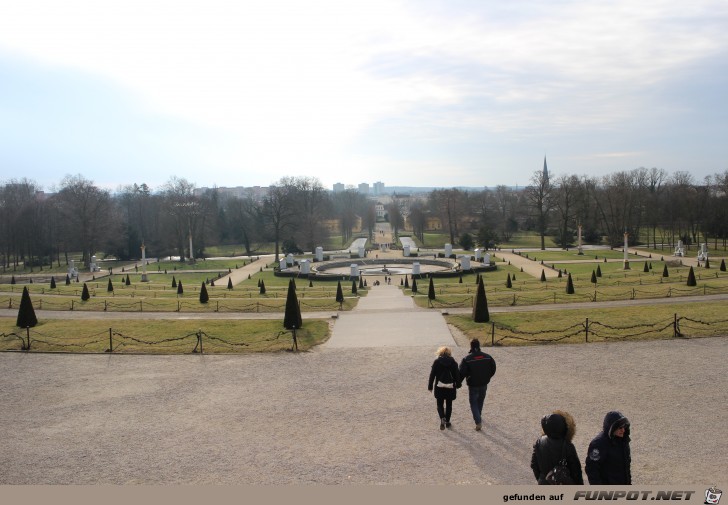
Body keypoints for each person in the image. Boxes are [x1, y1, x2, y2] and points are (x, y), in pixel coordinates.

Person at [530, 410, 584, 484]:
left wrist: (541, 479)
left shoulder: (539, 442)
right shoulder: (568, 446)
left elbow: (534, 465)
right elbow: (576, 471)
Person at [458, 338, 496, 431]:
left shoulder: (467, 359)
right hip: (484, 383)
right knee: (480, 401)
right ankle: (478, 416)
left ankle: (478, 421)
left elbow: (461, 372)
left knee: (473, 403)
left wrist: (458, 382)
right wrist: (487, 377)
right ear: (479, 346)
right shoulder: (488, 357)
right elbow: (493, 369)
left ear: (471, 346)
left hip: (473, 384)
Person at [585, 411, 631, 485]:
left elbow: (626, 467)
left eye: (624, 426)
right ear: (612, 428)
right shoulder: (599, 444)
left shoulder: (623, 441)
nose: (623, 430)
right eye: (620, 427)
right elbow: (592, 469)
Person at [427, 346, 461, 430]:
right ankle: (448, 421)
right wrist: (458, 384)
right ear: (449, 353)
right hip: (450, 386)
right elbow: (457, 375)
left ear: (440, 353)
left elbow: (432, 375)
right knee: (449, 404)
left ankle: (442, 417)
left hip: (439, 386)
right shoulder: (453, 363)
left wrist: (430, 386)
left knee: (439, 404)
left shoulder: (437, 362)